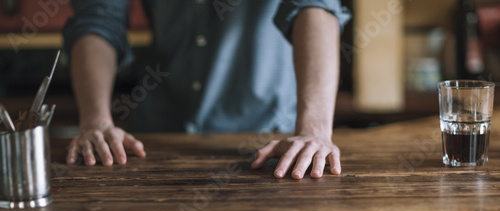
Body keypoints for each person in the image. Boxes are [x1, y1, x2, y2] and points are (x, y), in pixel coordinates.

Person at [63, 0, 351, 179]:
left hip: (267, 142)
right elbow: (99, 18)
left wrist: (313, 129)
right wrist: (96, 120)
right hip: (154, 142)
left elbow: (316, 6)